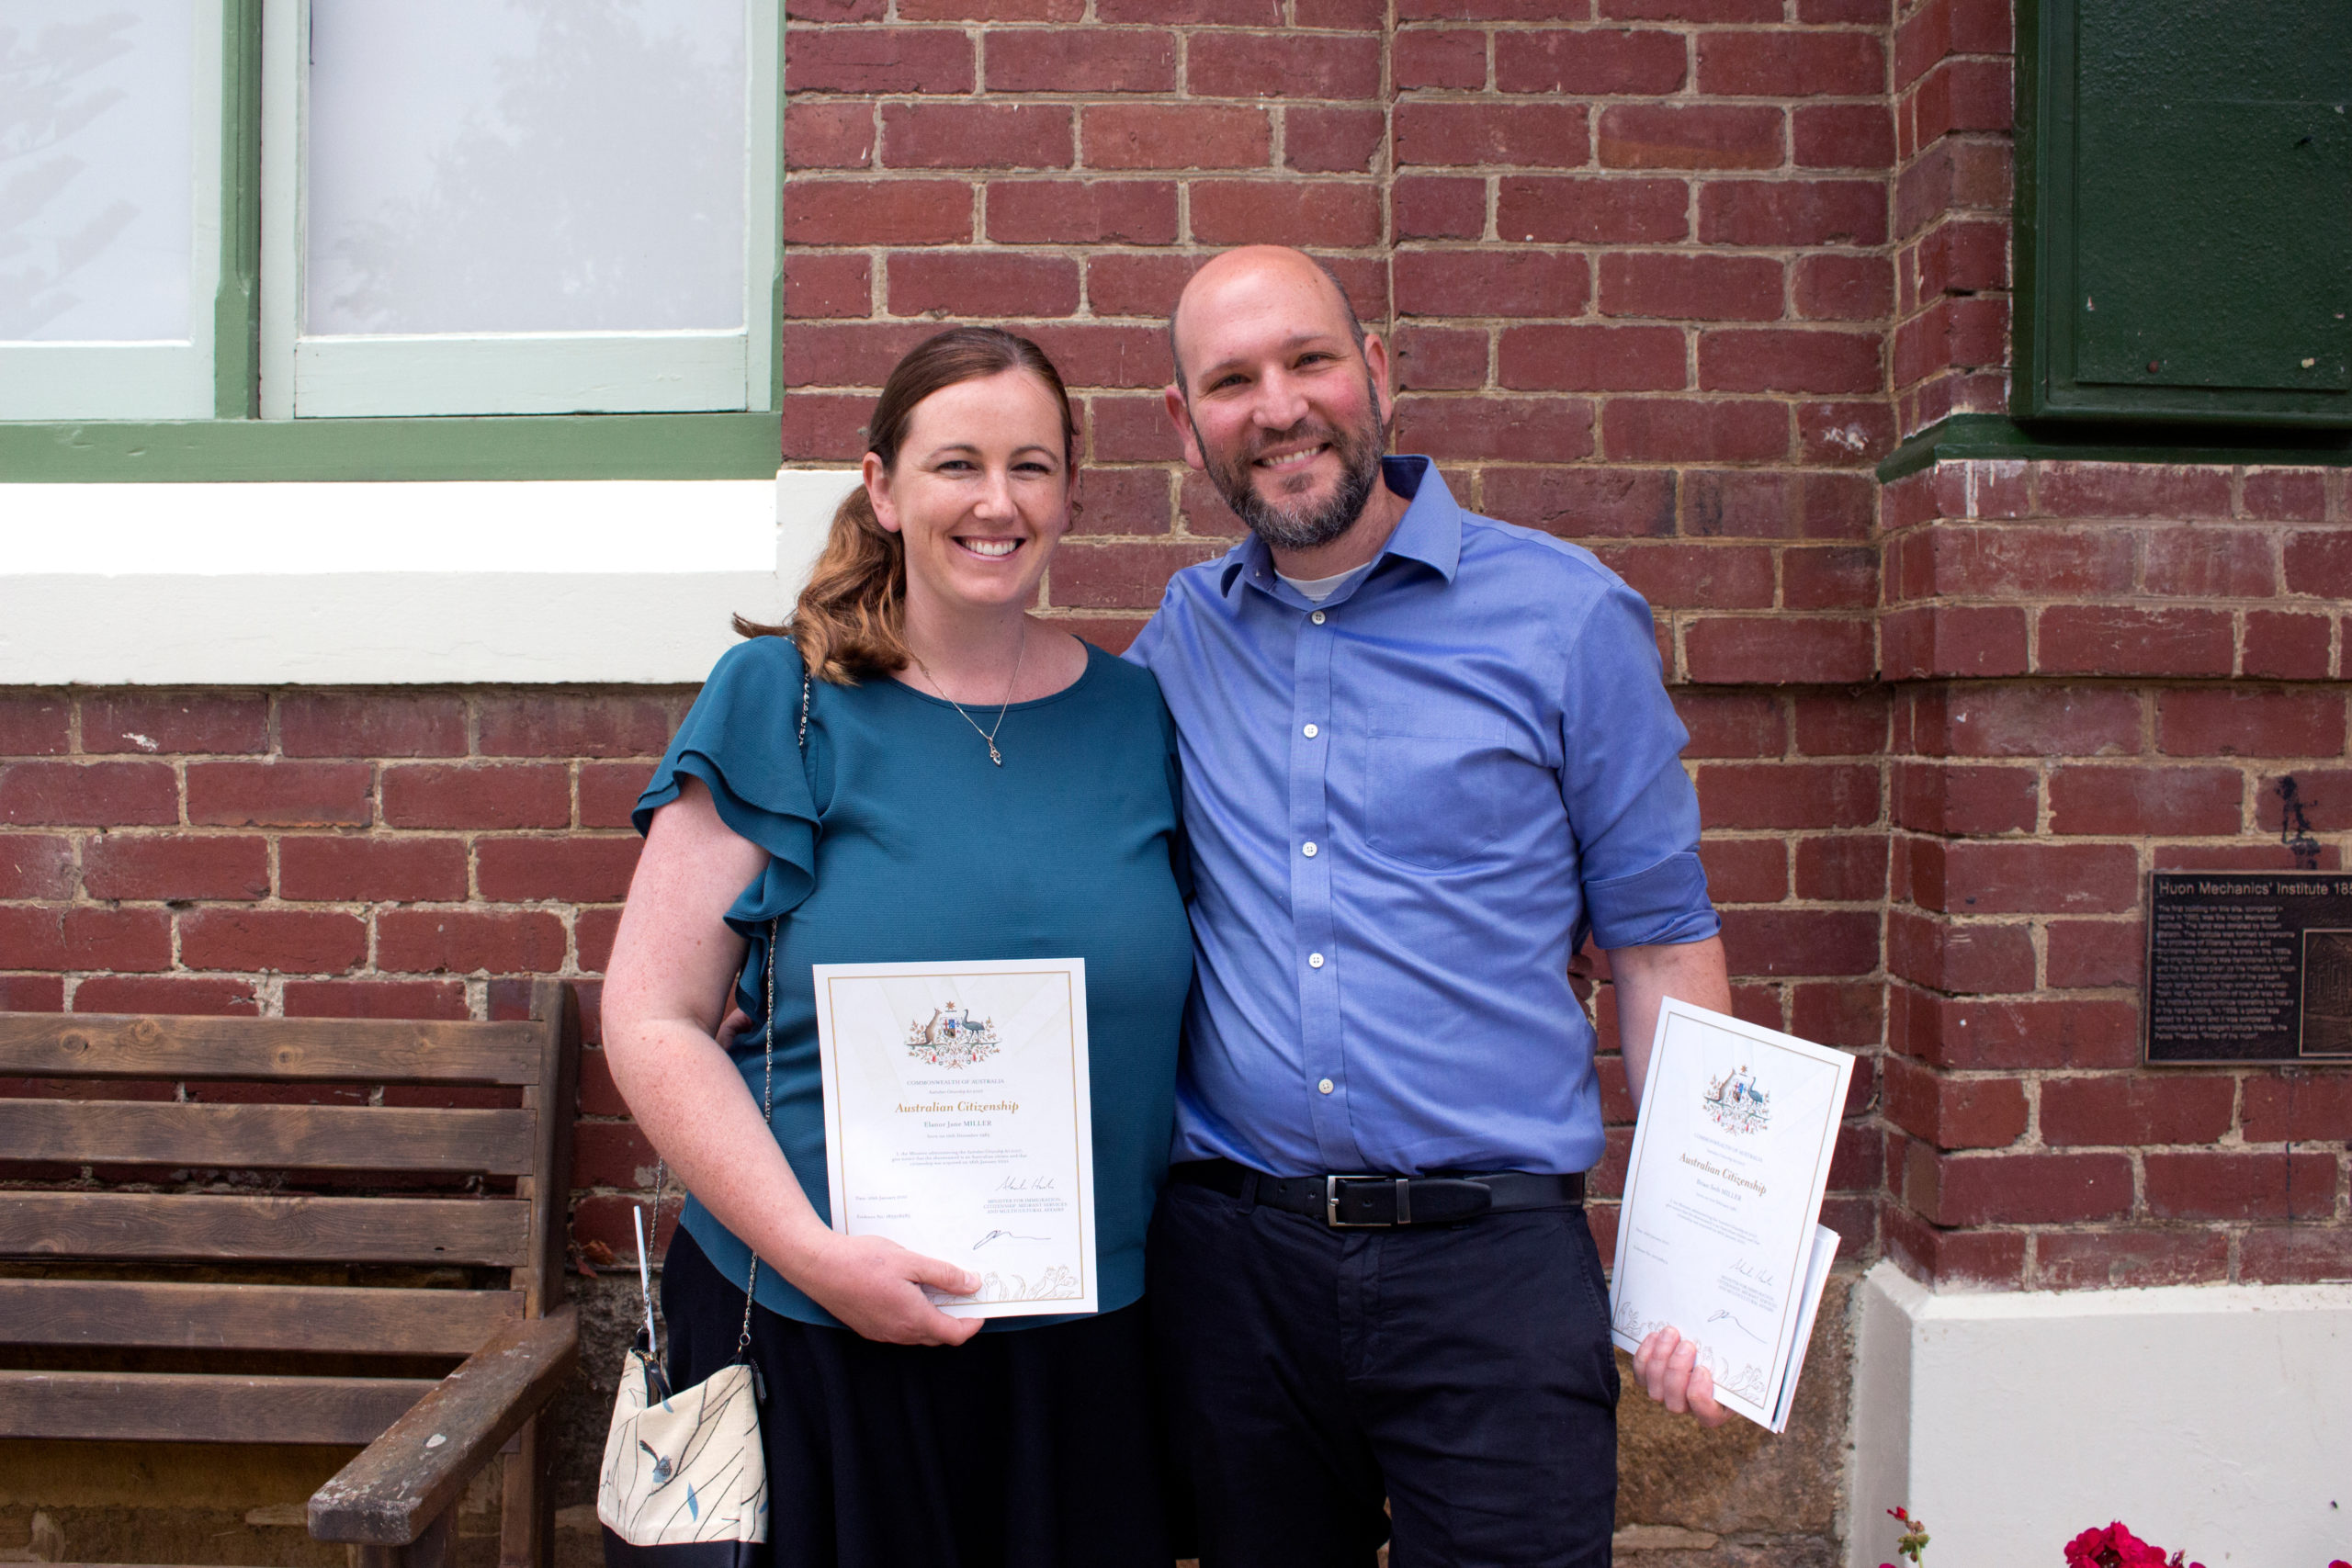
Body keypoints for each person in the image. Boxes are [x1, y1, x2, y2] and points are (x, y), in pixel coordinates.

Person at [1125, 245, 1735, 1568]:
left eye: (1309, 360)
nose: (1279, 408)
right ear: (1187, 428)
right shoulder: (1179, 639)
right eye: (1231, 381)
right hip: (1238, 1277)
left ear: (1379, 373)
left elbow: (1664, 947)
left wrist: (1704, 1265)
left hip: (1492, 1276)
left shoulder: (1568, 619)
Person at [602, 327, 1192, 1567]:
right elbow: (653, 1020)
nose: (996, 501)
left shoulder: (1137, 715)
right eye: (956, 465)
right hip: (815, 1329)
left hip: (1082, 1343)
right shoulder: (780, 699)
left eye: (1032, 467)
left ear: (1072, 491)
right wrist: (816, 1255)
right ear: (882, 487)